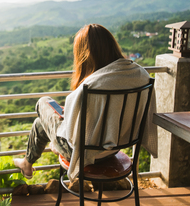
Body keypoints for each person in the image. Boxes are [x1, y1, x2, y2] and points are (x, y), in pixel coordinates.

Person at [14, 24, 156, 180]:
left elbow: (72, 135)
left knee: (43, 102)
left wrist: (59, 136)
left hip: (83, 152)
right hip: (114, 146)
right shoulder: (141, 75)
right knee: (40, 124)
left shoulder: (92, 85)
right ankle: (27, 163)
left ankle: (44, 152)